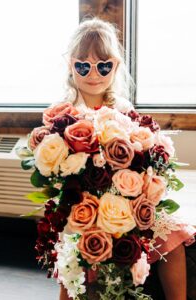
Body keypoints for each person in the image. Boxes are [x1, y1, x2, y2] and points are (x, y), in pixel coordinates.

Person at [57, 17, 195, 300]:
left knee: (172, 237)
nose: (93, 74)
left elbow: (140, 157)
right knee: (70, 262)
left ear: (115, 66)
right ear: (71, 65)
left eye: (103, 65)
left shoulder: (122, 107)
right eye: (83, 65)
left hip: (126, 200)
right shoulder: (64, 113)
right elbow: (57, 170)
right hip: (83, 204)